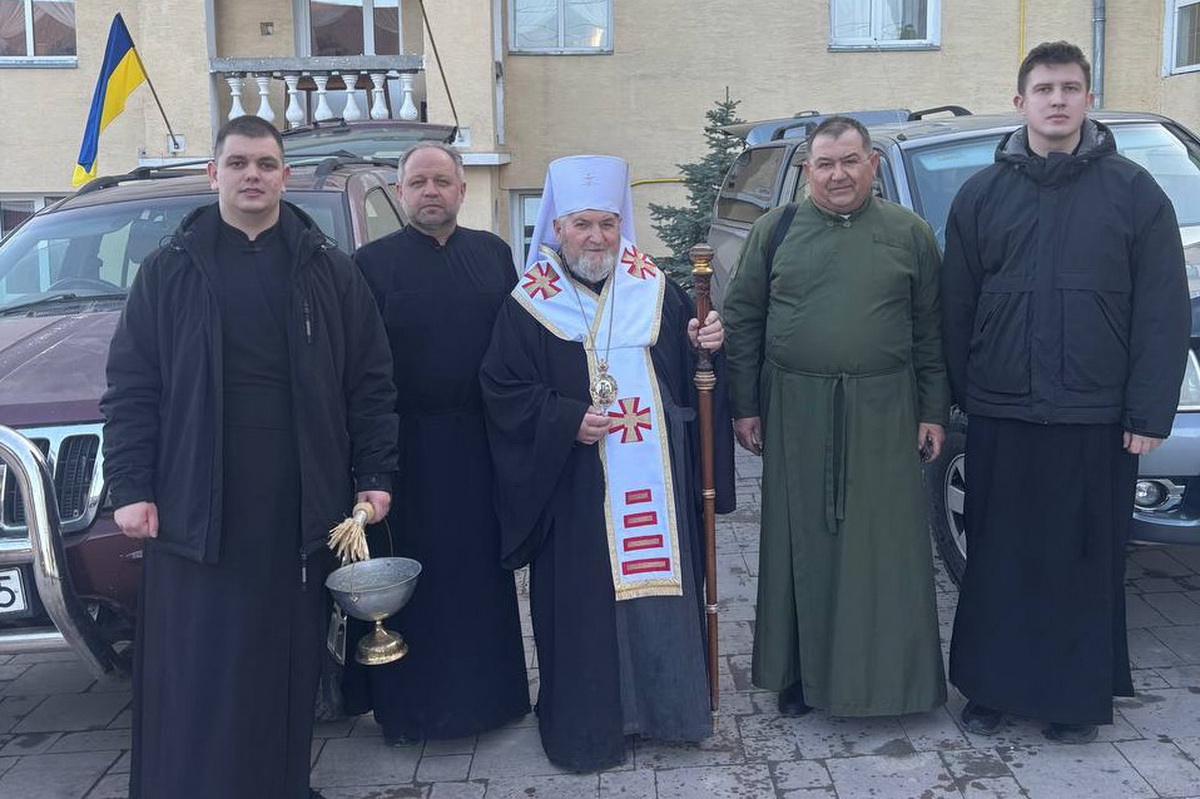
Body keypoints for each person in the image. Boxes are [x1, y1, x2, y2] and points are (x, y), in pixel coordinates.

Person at [101, 115, 398, 799]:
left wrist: (375, 474)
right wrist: (130, 485)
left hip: (297, 504)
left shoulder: (329, 268)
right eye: (237, 163)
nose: (252, 176)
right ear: (214, 175)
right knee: (199, 664)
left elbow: (371, 382)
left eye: (265, 164)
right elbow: (132, 387)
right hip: (193, 503)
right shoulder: (168, 270)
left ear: (285, 176)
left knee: (282, 661)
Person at [942, 41, 1190, 744]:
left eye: (1070, 87)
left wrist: (1149, 411)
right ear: (1020, 102)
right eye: (1045, 88)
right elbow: (955, 307)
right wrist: (960, 399)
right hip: (1002, 410)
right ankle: (989, 690)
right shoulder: (981, 195)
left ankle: (1072, 701)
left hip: (1095, 414)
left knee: (1082, 562)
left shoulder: (1135, 193)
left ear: (1087, 99)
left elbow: (1163, 310)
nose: (1057, 99)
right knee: (999, 558)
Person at [480, 155, 734, 771]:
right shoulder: (528, 303)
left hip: (655, 481)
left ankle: (669, 711)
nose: (596, 238)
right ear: (556, 228)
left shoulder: (657, 290)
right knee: (584, 604)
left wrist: (707, 345)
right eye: (582, 225)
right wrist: (564, 420)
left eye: (607, 224)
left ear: (622, 226)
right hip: (574, 490)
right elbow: (502, 390)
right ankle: (593, 723)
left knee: (659, 593)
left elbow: (693, 375)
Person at [723, 116, 949, 719]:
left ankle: (895, 683)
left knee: (884, 549)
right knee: (803, 544)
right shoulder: (775, 230)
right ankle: (799, 675)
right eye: (825, 163)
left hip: (885, 408)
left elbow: (931, 330)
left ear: (873, 164)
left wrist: (933, 410)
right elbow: (743, 320)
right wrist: (745, 406)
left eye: (850, 161)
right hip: (795, 406)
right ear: (807, 171)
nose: (838, 174)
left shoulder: (909, 233)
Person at [342, 142, 529, 743]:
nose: (430, 191)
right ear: (400, 193)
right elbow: (358, 369)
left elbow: (521, 344)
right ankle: (410, 713)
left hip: (480, 445)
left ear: (461, 191)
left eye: (442, 181)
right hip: (406, 451)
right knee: (413, 582)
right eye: (418, 182)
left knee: (480, 578)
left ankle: (494, 702)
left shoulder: (494, 255)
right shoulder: (369, 265)